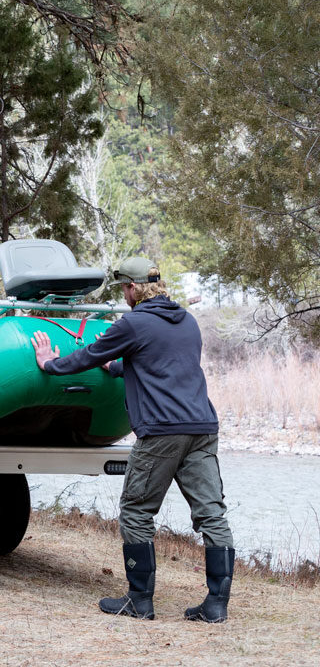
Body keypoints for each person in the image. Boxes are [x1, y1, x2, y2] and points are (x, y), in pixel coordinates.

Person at [30, 256, 235, 623]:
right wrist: (118, 366)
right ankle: (216, 605)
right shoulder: (187, 321)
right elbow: (164, 363)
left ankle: (139, 600)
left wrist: (49, 364)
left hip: (161, 432)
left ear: (133, 287)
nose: (124, 294)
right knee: (212, 514)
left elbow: (87, 356)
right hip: (203, 427)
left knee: (136, 511)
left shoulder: (134, 323)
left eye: (124, 287)